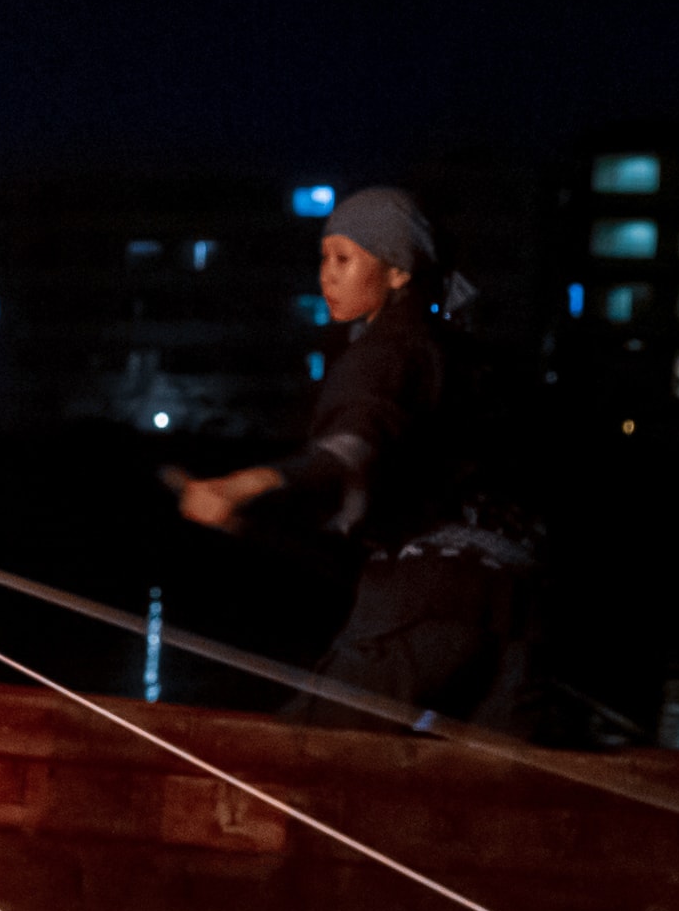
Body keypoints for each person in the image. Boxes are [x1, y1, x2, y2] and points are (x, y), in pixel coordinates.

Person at [169, 184, 540, 724]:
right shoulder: (456, 353)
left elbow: (354, 448)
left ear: (398, 272)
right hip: (515, 615)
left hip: (428, 604)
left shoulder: (387, 351)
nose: (327, 274)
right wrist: (256, 523)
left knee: (301, 752)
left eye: (345, 258)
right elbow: (413, 493)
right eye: (323, 258)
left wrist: (239, 486)